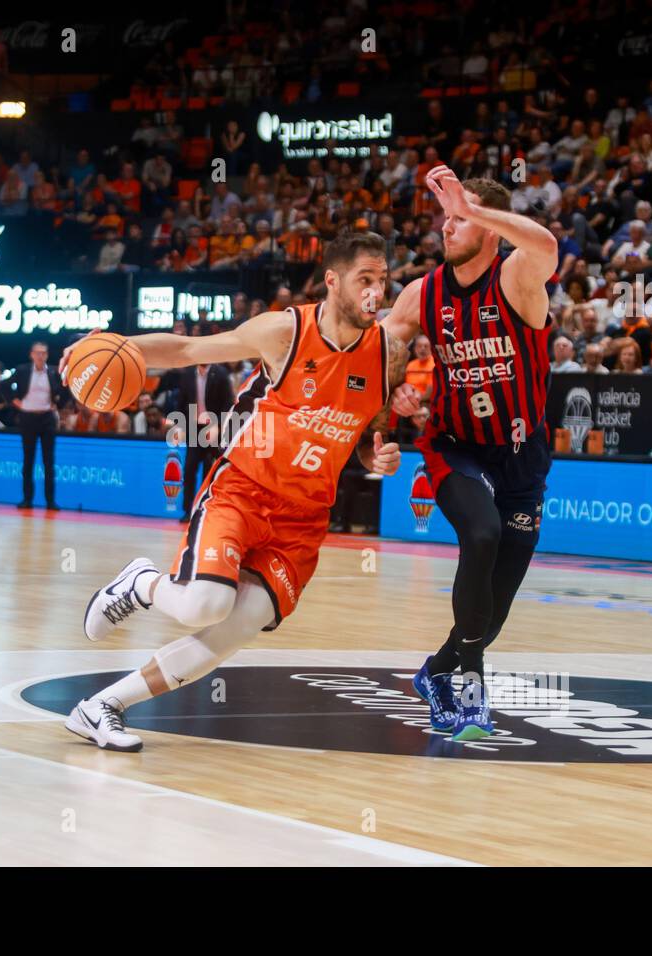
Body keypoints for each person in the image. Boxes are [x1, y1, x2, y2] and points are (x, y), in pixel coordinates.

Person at [59, 233, 410, 752]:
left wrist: (375, 457)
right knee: (205, 606)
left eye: (382, 281)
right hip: (244, 490)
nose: (375, 293)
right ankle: (143, 584)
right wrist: (112, 346)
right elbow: (187, 350)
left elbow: (366, 431)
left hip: (304, 520)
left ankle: (101, 707)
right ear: (332, 281)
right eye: (365, 280)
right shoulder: (284, 331)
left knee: (231, 632)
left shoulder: (389, 353)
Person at [382, 167, 558, 742]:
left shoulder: (517, 278)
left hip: (521, 455)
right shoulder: (424, 291)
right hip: (455, 446)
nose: (447, 226)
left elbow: (547, 244)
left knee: (494, 608)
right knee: (480, 536)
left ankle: (437, 671)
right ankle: (471, 688)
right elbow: (384, 344)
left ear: (488, 228)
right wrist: (393, 391)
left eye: (459, 217)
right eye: (447, 216)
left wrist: (476, 208)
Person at [160, 359, 235, 519]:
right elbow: (181, 402)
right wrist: (179, 424)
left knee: (210, 472)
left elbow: (228, 403)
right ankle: (188, 511)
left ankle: (206, 510)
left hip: (213, 428)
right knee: (189, 469)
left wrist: (220, 426)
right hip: (194, 429)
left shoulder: (220, 374)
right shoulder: (187, 374)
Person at [7, 340, 64, 510]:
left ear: (47, 355)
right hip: (28, 418)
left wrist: (58, 406)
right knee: (28, 461)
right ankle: (27, 500)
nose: (41, 356)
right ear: (31, 354)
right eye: (37, 353)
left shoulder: (53, 372)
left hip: (47, 419)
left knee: (49, 462)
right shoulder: (23, 371)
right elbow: (4, 386)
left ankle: (50, 501)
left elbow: (65, 390)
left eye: (44, 353)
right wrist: (16, 402)